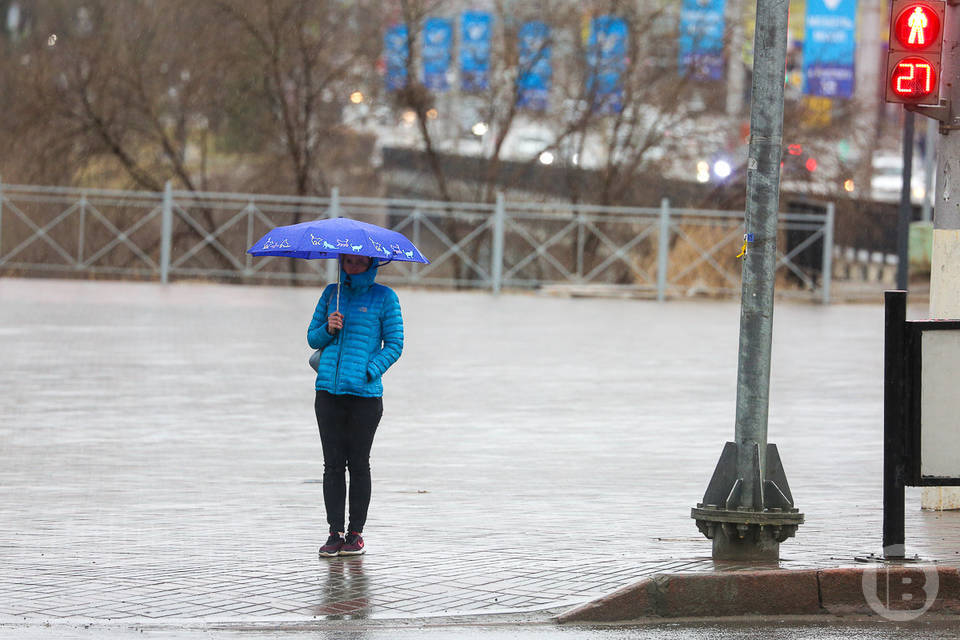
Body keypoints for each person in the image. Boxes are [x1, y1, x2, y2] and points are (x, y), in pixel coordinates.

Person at [307, 254, 403, 557]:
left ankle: (356, 534)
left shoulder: (385, 298)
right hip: (328, 394)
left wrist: (369, 370)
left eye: (359, 263)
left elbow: (396, 343)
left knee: (358, 464)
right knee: (332, 465)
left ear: (372, 264)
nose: (352, 267)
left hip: (365, 397)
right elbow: (312, 338)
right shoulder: (330, 294)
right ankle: (334, 533)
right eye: (347, 261)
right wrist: (328, 328)